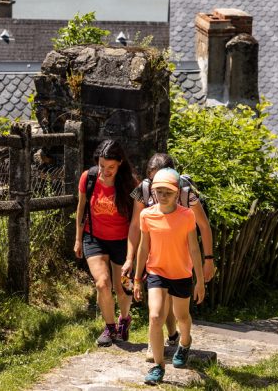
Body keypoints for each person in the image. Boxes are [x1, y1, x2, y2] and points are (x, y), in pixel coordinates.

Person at [124, 153, 214, 349]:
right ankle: (156, 345)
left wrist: (209, 259)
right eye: (155, 182)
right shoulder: (144, 189)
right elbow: (134, 225)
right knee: (157, 305)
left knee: (176, 306)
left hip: (180, 253)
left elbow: (204, 226)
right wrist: (130, 258)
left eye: (166, 186)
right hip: (155, 253)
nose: (160, 191)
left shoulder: (186, 192)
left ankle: (176, 336)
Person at [132, 168, 205, 385]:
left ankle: (184, 342)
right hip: (156, 272)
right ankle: (158, 366)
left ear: (176, 194)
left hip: (181, 273)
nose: (163, 196)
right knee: (155, 317)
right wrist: (137, 279)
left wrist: (200, 281)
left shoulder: (186, 215)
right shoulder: (147, 215)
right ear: (153, 193)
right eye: (159, 192)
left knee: (181, 316)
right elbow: (143, 248)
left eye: (168, 192)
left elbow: (194, 249)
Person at [73, 139, 139, 346]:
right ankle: (110, 328)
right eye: (102, 166)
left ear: (120, 163)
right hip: (94, 238)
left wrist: (131, 254)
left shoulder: (132, 184)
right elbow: (81, 209)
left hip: (122, 240)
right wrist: (77, 239)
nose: (106, 171)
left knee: (123, 288)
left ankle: (124, 318)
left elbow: (137, 222)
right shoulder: (89, 177)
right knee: (102, 283)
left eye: (111, 167)